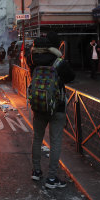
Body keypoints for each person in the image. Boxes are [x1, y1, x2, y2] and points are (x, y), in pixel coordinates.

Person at [28, 32, 75, 189]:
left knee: (37, 138)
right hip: (57, 107)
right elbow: (71, 77)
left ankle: (36, 171)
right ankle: (52, 178)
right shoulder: (59, 62)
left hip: (39, 105)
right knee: (55, 142)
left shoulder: (33, 60)